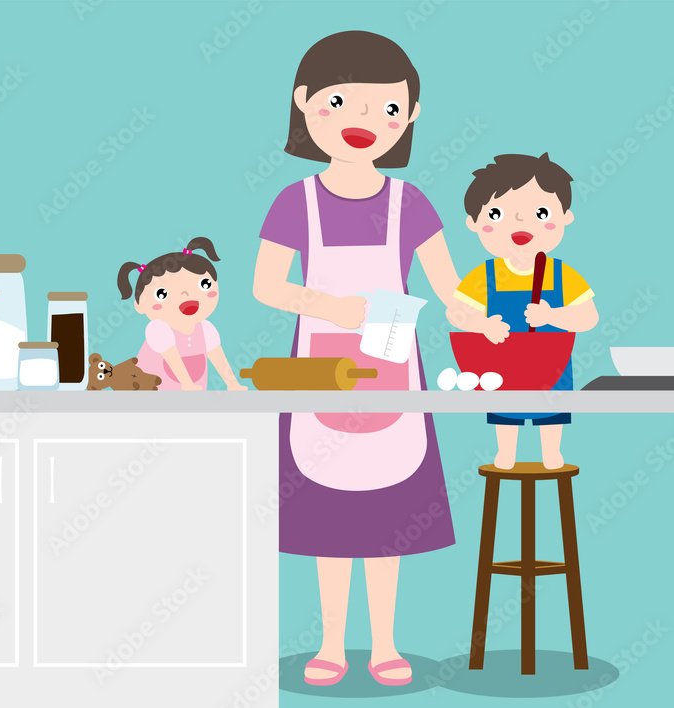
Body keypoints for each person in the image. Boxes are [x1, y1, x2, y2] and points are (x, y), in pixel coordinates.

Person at [252, 31, 462, 687]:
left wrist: (483, 314)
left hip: (396, 374)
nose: (363, 124)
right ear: (305, 104)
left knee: (389, 516)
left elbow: (449, 287)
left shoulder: (410, 202)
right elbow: (267, 286)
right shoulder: (296, 202)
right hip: (318, 372)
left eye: (386, 109)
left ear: (411, 116)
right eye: (341, 103)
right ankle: (332, 644)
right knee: (329, 518)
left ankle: (387, 644)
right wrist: (326, 305)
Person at [449, 153, 599, 469]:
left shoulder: (562, 275)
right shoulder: (485, 276)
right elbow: (456, 313)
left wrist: (552, 316)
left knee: (552, 407)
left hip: (553, 362)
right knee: (505, 406)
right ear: (474, 222)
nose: (520, 225)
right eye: (499, 214)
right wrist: (482, 325)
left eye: (540, 212)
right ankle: (505, 451)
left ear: (565, 218)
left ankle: (551, 451)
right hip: (502, 363)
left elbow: (588, 317)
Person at [117, 237, 246, 391]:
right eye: (161, 294)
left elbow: (217, 357)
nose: (186, 296)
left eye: (204, 284)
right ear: (140, 305)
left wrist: (232, 383)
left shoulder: (205, 328)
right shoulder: (158, 329)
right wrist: (187, 385)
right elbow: (172, 357)